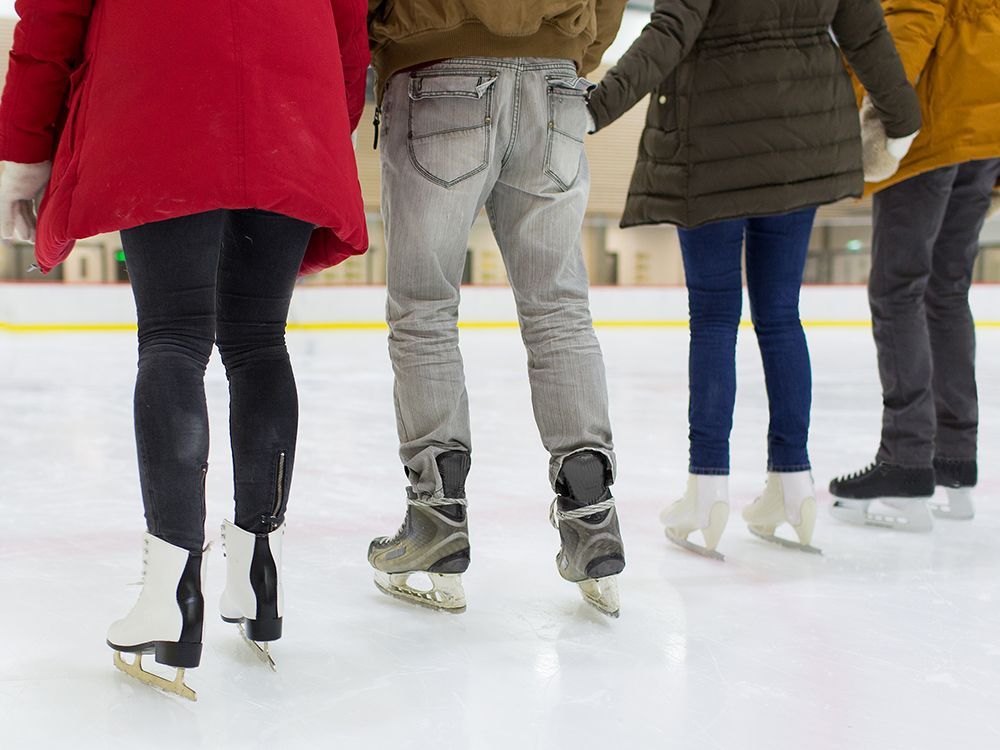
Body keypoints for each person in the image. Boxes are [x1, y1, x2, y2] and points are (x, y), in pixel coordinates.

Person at [0, 0, 369, 699]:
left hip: (160, 86)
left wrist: (22, 146)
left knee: (173, 337)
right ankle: (261, 576)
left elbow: (51, 17)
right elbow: (350, 22)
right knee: (260, 340)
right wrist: (324, 114)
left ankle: (171, 592)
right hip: (294, 86)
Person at [586, 0, 920, 558]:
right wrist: (902, 120)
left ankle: (707, 489)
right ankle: (793, 486)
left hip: (713, 145)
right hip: (805, 138)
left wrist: (596, 107)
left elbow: (670, 31)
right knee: (781, 316)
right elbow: (866, 32)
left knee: (715, 319)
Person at [365, 0, 629, 617]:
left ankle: (437, 519)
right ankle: (591, 518)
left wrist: (380, 48)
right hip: (555, 81)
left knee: (425, 308)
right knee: (559, 309)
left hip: (435, 67)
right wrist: (570, 51)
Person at [830, 0, 1000, 532]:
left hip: (928, 136)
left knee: (897, 290)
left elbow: (903, 32)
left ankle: (906, 458)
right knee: (946, 291)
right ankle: (953, 455)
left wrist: (877, 124)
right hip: (984, 135)